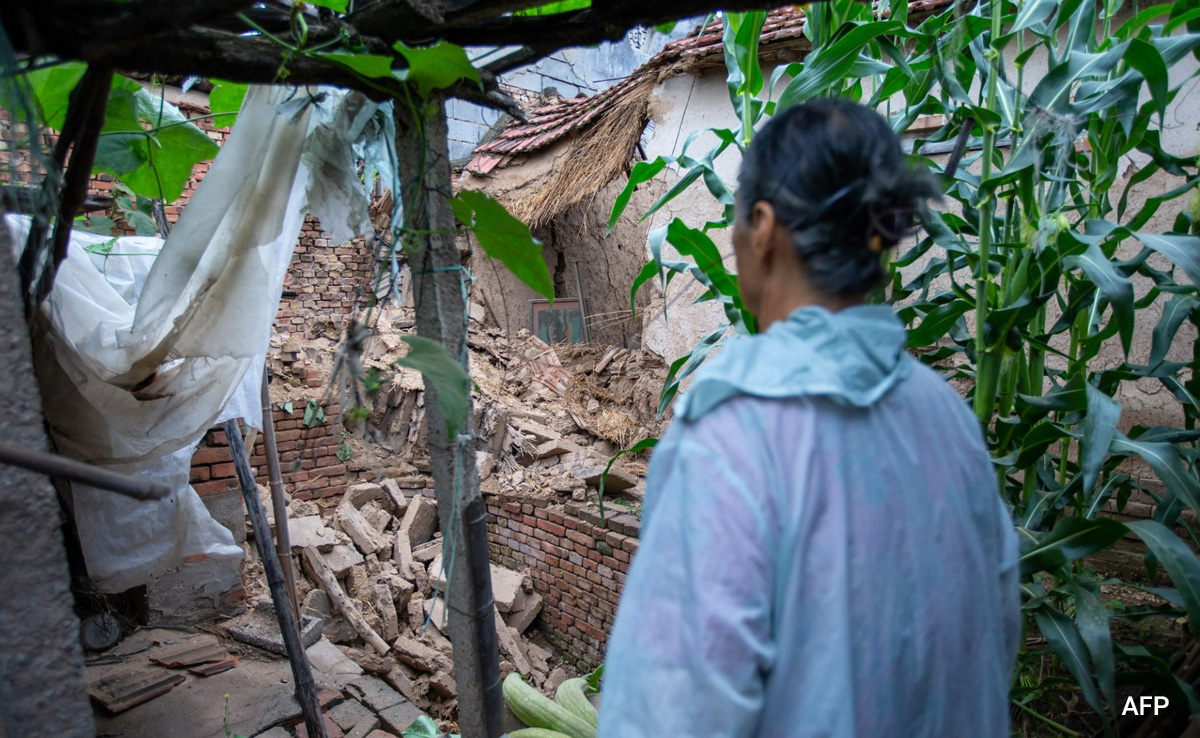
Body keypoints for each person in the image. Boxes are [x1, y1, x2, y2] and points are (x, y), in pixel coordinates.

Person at [596, 99, 1019, 737]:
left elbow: (669, 716)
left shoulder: (729, 440)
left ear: (762, 228)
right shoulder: (949, 421)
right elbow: (995, 640)